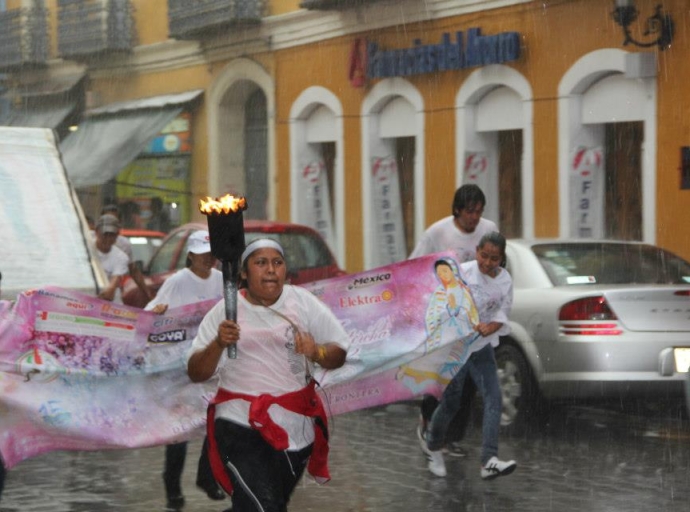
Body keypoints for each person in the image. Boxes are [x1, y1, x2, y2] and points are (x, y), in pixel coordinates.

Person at [187, 238, 349, 511]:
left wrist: (317, 352)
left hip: (295, 429)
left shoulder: (302, 302)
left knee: (262, 504)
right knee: (265, 507)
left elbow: (340, 352)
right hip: (239, 424)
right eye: (261, 263)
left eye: (277, 262)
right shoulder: (224, 312)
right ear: (244, 273)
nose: (271, 270)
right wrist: (218, 343)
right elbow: (196, 372)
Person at [410, 184, 498, 458]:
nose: (475, 217)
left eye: (479, 212)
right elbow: (415, 265)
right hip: (445, 318)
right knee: (444, 377)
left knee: (469, 382)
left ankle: (451, 437)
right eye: (470, 211)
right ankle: (428, 423)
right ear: (457, 210)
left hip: (476, 320)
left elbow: (498, 263)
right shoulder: (438, 233)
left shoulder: (490, 229)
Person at [420, 231, 517, 480]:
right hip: (456, 347)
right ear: (476, 252)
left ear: (501, 258)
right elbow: (440, 302)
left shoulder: (505, 281)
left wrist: (491, 327)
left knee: (494, 397)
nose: (487, 262)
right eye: (483, 255)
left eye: (494, 258)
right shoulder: (461, 272)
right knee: (452, 401)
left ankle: (488, 460)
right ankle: (432, 445)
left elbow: (503, 315)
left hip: (481, 347)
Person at [144, 230, 226, 510]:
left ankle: (207, 476)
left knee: (218, 415)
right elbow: (151, 311)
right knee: (180, 428)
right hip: (179, 364)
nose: (208, 260)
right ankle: (172, 487)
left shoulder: (220, 279)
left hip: (212, 359)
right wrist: (158, 311)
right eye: (203, 255)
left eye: (211, 255)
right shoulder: (177, 282)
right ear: (191, 255)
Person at [100, 204, 154, 303]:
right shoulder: (88, 241)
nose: (108, 239)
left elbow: (132, 270)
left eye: (113, 223)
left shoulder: (122, 252)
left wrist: (148, 294)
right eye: (106, 222)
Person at [94, 214, 129, 302]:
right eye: (105, 234)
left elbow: (111, 288)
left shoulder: (121, 257)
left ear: (117, 235)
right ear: (97, 232)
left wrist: (110, 289)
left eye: (112, 235)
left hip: (111, 306)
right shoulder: (85, 250)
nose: (108, 239)